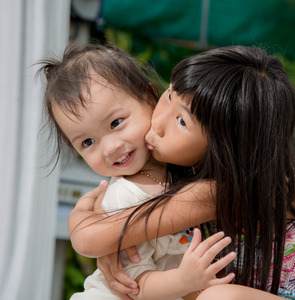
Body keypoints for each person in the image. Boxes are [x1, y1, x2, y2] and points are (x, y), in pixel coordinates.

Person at [69, 45, 295, 299]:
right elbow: (119, 224)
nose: (160, 120)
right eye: (169, 95)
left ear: (226, 147)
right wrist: (113, 243)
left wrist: (87, 216)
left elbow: (89, 239)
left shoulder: (220, 191)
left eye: (182, 121)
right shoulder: (183, 169)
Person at [37, 43, 236, 300]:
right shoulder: (122, 198)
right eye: (87, 142)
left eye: (116, 123)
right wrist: (184, 280)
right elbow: (135, 287)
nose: (110, 148)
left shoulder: (183, 168)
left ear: (149, 96)